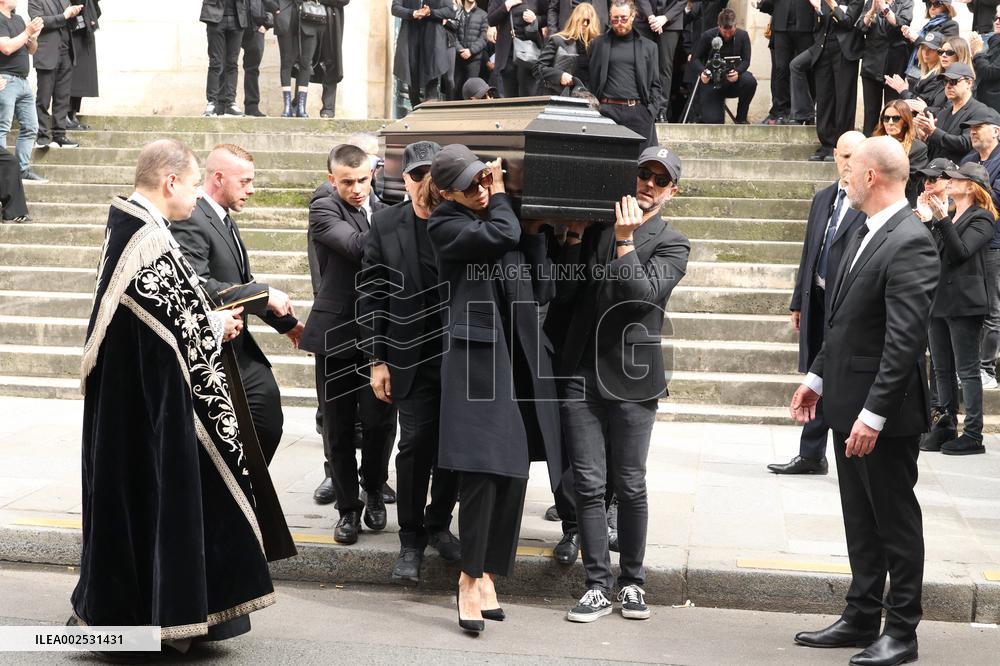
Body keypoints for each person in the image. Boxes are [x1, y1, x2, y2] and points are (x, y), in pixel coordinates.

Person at [72, 139, 283, 644]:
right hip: (147, 412)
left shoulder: (140, 229)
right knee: (163, 502)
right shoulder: (145, 240)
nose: (195, 197)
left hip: (139, 405)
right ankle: (160, 622)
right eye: (191, 185)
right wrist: (213, 327)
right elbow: (167, 334)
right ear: (170, 182)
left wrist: (206, 321)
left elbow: (165, 322)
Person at [789, 136, 938, 666]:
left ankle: (902, 632)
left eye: (851, 169)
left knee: (894, 522)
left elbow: (903, 342)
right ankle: (860, 614)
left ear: (872, 176)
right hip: (847, 403)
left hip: (885, 416)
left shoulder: (910, 239)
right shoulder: (864, 230)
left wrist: (873, 416)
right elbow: (844, 322)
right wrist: (818, 378)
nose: (844, 177)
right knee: (860, 518)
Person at [426, 144, 562, 633]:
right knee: (481, 472)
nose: (481, 189)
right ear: (446, 192)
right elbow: (502, 231)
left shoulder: (496, 224)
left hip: (517, 359)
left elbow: (540, 286)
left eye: (483, 180)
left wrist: (540, 236)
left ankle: (486, 573)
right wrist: (504, 194)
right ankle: (467, 578)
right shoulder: (445, 224)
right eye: (470, 185)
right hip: (476, 362)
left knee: (511, 471)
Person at [556, 146, 690, 623]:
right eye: (643, 174)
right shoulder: (596, 229)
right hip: (581, 375)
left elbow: (642, 300)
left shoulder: (674, 243)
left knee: (630, 484)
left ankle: (633, 582)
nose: (648, 184)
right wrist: (572, 244)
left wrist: (627, 242)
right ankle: (597, 584)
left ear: (671, 191)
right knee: (588, 484)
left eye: (659, 179)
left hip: (634, 379)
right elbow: (567, 296)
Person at [357, 141, 461, 584]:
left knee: (455, 450)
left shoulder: (461, 222)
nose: (424, 184)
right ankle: (410, 540)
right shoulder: (385, 224)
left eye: (432, 175)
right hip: (408, 359)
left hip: (460, 360)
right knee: (416, 448)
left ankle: (439, 524)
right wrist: (376, 359)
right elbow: (371, 295)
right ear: (404, 179)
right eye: (417, 175)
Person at [169, 144, 301, 465]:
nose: (252, 190)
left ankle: (242, 498)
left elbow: (242, 281)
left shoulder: (222, 217)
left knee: (266, 420)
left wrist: (290, 326)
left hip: (237, 348)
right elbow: (198, 286)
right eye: (244, 182)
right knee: (258, 421)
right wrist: (264, 293)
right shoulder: (194, 217)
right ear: (218, 178)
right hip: (214, 350)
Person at [300, 144, 398, 545]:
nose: (357, 189)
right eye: (346, 182)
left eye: (362, 180)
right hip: (337, 334)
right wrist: (400, 231)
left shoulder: (388, 208)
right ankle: (346, 510)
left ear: (373, 172)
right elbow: (359, 248)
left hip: (382, 333)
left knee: (379, 425)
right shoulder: (324, 210)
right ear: (331, 180)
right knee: (338, 428)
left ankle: (374, 488)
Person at [770, 131, 868, 477]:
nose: (847, 164)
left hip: (848, 301)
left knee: (836, 371)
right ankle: (811, 453)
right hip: (818, 296)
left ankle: (847, 450)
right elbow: (809, 252)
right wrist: (798, 299)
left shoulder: (868, 204)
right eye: (842, 156)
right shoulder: (823, 197)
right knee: (815, 370)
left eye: (854, 157)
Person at [922, 161, 996, 457]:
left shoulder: (983, 218)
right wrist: (930, 221)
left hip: (965, 304)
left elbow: (960, 253)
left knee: (967, 370)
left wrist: (941, 221)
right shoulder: (950, 215)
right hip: (939, 300)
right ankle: (946, 425)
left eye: (955, 178)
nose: (948, 181)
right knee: (941, 369)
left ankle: (974, 434)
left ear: (971, 186)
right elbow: (933, 253)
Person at [959, 109, 1000, 390]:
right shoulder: (968, 160)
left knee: (993, 308)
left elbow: (994, 200)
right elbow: (956, 191)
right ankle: (971, 366)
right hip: (967, 241)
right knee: (970, 304)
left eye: (979, 127)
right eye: (971, 128)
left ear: (996, 131)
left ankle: (986, 368)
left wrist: (966, 194)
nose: (973, 131)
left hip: (994, 244)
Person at [796, 0, 864, 162]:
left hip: (845, 50)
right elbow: (818, 26)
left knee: (844, 99)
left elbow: (848, 22)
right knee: (824, 98)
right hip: (823, 48)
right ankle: (826, 144)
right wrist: (818, 11)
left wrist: (832, 4)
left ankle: (842, 145)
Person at [589, 0, 661, 149]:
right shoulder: (598, 44)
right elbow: (591, 77)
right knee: (606, 163)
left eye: (623, 18)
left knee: (641, 164)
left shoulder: (649, 47)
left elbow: (655, 83)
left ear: (633, 16)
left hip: (638, 111)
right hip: (607, 111)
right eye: (615, 19)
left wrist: (650, 112)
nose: (619, 22)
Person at [0, 1, 44, 182]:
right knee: (2, 127)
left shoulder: (18, 19)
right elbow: (6, 48)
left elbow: (32, 50)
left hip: (23, 82)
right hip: (5, 80)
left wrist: (32, 37)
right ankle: (2, 173)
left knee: (31, 127)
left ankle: (22, 170)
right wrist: (27, 31)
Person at [689, 7, 755, 124]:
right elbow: (695, 58)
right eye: (725, 32)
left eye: (731, 31)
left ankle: (741, 117)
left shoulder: (742, 35)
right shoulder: (708, 36)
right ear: (719, 26)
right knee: (714, 121)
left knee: (750, 81)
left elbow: (746, 60)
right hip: (711, 82)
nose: (728, 35)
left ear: (735, 25)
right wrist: (702, 72)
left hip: (733, 81)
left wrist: (738, 72)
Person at [29, 0, 81, 148]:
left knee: (63, 97)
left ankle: (59, 135)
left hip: (66, 52)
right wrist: (64, 16)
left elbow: (70, 25)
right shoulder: (35, 1)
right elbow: (39, 22)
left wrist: (74, 15)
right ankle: (42, 136)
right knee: (44, 98)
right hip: (46, 54)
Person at [916, 62, 990, 163]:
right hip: (932, 170)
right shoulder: (943, 113)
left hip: (956, 173)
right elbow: (936, 147)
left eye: (954, 81)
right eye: (945, 82)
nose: (948, 86)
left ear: (969, 83)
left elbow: (966, 143)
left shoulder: (979, 111)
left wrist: (933, 132)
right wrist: (925, 137)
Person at [857, 0, 912, 136]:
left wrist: (885, 9)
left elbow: (902, 23)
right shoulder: (871, 2)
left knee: (894, 110)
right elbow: (861, 26)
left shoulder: (905, 2)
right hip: (872, 64)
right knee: (870, 111)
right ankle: (869, 148)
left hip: (895, 65)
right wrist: (873, 10)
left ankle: (894, 147)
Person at [757, 0, 815, 125]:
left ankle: (806, 113)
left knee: (806, 69)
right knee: (781, 69)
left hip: (806, 25)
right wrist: (761, 4)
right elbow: (769, 4)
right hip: (781, 25)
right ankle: (781, 111)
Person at [886, 33, 967, 117]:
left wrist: (903, 91)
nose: (926, 52)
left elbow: (946, 111)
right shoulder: (930, 74)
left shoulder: (940, 77)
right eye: (923, 48)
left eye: (931, 49)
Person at [394, 0, 455, 109]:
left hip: (432, 39)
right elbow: (395, 8)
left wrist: (430, 12)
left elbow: (450, 11)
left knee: (432, 79)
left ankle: (430, 115)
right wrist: (414, 13)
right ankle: (415, 110)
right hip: (411, 39)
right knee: (412, 81)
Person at [633, 0, 686, 122]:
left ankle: (661, 110)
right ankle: (642, 105)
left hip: (671, 22)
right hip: (644, 21)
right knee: (642, 65)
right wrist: (650, 16)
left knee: (664, 67)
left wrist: (665, 18)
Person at [534, 0, 598, 95]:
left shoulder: (596, 46)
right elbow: (537, 68)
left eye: (588, 21)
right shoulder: (558, 40)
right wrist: (560, 76)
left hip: (585, 98)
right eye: (582, 20)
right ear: (575, 19)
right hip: (558, 95)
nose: (584, 24)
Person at [275, 0, 326, 117]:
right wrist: (275, 8)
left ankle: (301, 106)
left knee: (306, 62)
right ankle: (287, 106)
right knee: (286, 61)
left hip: (310, 17)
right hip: (286, 15)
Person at [872, 99, 928, 204]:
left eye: (896, 118)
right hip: (876, 201)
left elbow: (910, 183)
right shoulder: (874, 143)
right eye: (886, 118)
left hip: (902, 203)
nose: (890, 122)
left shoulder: (918, 148)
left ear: (906, 122)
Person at [200, 0, 248, 116]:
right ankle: (212, 102)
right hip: (214, 17)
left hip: (237, 19)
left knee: (232, 63)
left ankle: (230, 103)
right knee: (215, 63)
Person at [487, 0, 543, 97]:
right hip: (507, 54)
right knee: (508, 96)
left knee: (528, 93)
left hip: (529, 53)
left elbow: (549, 16)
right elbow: (491, 20)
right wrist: (506, 6)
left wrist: (535, 19)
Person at [900, 0, 958, 80]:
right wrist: (909, 37)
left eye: (937, 4)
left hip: (932, 72)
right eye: (929, 4)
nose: (931, 8)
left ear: (946, 6)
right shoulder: (928, 25)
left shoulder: (951, 25)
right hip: (916, 69)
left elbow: (944, 50)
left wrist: (916, 38)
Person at [310, 0, 348, 118]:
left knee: (330, 62)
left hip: (331, 22)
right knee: (303, 61)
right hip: (308, 18)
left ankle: (328, 107)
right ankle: (298, 103)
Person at [67, 0, 99, 129]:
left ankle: (72, 114)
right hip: (72, 31)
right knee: (71, 76)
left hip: (85, 30)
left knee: (83, 77)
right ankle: (65, 115)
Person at [238, 0, 273, 117]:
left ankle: (251, 106)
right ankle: (225, 104)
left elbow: (271, 3)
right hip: (235, 24)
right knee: (228, 64)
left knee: (252, 68)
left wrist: (267, 24)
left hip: (256, 26)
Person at [453, 0, 488, 100]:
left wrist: (471, 51)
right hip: (457, 59)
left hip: (474, 59)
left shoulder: (483, 14)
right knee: (455, 90)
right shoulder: (456, 13)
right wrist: (460, 49)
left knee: (472, 93)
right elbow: (452, 34)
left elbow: (484, 38)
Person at [970, 15, 1000, 112]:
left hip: (994, 107)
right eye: (996, 18)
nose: (996, 22)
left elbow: (990, 72)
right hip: (981, 100)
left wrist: (978, 52)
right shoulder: (994, 40)